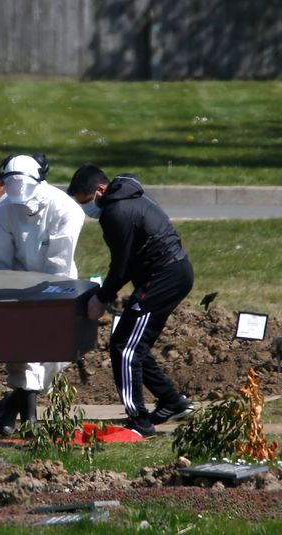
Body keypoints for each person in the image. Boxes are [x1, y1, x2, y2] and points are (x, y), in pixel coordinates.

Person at [67, 165, 194, 437]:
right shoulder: (128, 197)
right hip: (172, 273)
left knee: (125, 347)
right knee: (132, 342)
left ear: (100, 190)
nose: (86, 211)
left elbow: (121, 266)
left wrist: (101, 299)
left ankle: (139, 420)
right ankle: (172, 401)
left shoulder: (116, 212)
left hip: (163, 277)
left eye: (86, 203)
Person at [0, 154, 86, 436]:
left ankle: (10, 405)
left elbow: (59, 265)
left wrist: (43, 299)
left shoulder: (67, 210)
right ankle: (30, 421)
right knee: (24, 353)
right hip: (16, 288)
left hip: (57, 285)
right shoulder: (4, 209)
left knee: (56, 354)